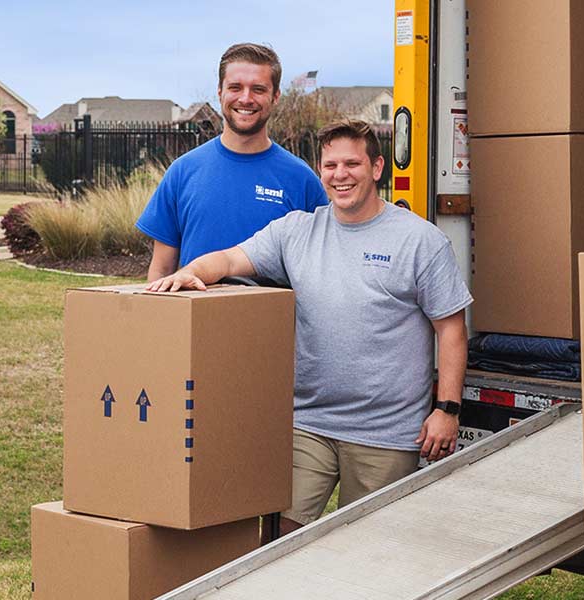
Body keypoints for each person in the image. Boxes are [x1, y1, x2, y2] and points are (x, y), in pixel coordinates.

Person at [146, 118, 470, 531]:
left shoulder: (419, 241)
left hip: (385, 432)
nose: (340, 175)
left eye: (351, 164)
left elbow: (451, 330)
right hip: (308, 424)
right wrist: (190, 272)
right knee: (282, 538)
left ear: (376, 168)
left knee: (371, 549)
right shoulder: (297, 231)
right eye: (330, 166)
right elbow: (228, 259)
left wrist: (446, 410)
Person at [136, 43, 328, 280]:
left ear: (275, 96)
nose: (245, 98)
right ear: (220, 92)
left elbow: (320, 273)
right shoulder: (183, 172)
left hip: (274, 317)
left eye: (258, 89)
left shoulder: (301, 180)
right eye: (235, 87)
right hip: (197, 316)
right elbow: (161, 271)